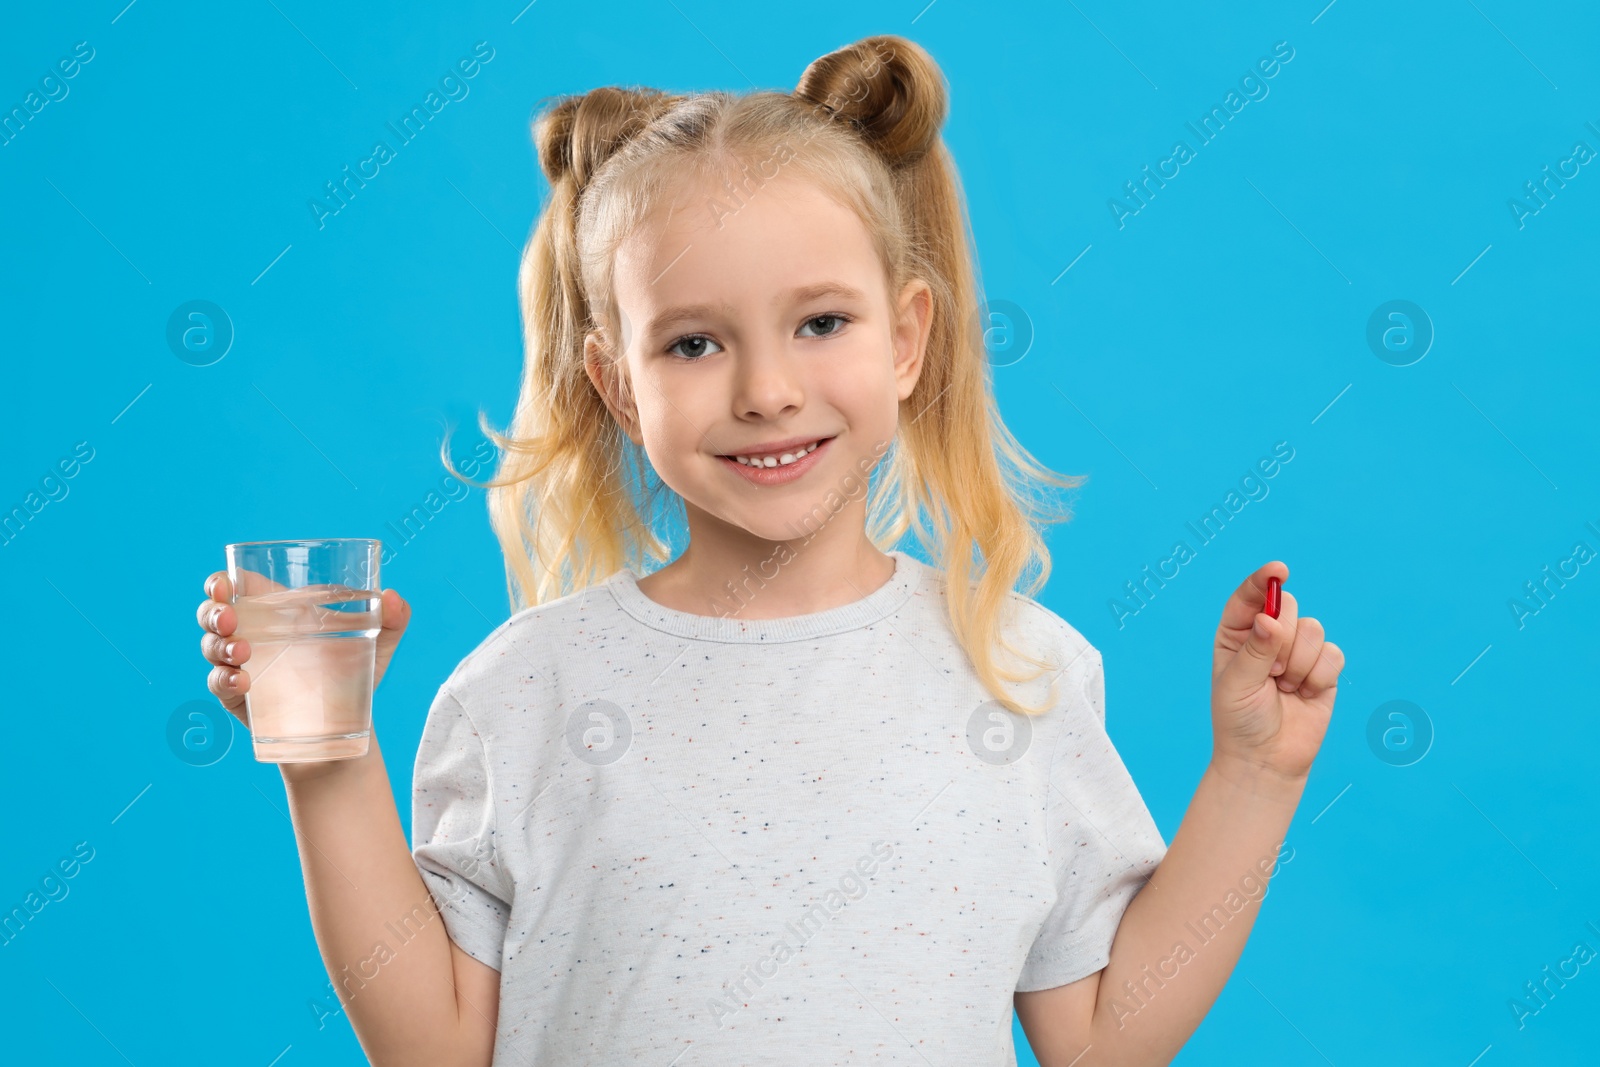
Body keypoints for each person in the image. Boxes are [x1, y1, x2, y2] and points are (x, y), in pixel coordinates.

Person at [195, 33, 1344, 1067]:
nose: (766, 390)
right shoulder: (522, 689)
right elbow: (435, 1050)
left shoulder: (1017, 670)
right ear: (617, 386)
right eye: (693, 342)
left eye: (820, 323)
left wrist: (1256, 774)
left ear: (905, 338)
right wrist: (328, 761)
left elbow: (1098, 1036)